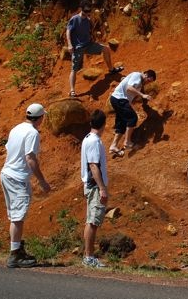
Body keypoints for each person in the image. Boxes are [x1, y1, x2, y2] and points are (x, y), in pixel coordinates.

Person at [0, 103, 51, 268]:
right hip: (17, 178)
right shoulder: (32, 133)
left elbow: (9, 151)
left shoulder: (16, 128)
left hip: (7, 174)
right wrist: (42, 181)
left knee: (15, 215)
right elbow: (30, 158)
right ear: (40, 118)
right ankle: (14, 255)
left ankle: (17, 249)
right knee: (18, 217)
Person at [66, 0, 123, 97]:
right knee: (74, 69)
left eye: (89, 11)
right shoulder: (74, 19)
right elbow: (68, 31)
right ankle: (72, 91)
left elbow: (89, 31)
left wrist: (93, 38)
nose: (88, 13)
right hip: (78, 47)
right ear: (81, 9)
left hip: (88, 45)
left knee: (106, 49)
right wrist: (70, 45)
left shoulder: (88, 20)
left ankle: (111, 70)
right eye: (86, 11)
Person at [81, 109, 109, 268]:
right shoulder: (94, 141)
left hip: (91, 185)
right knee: (93, 222)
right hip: (94, 186)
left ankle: (88, 256)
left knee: (90, 221)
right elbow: (93, 165)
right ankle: (89, 257)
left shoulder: (88, 139)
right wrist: (102, 188)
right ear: (104, 124)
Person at [108, 69, 156, 156]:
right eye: (148, 80)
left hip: (116, 99)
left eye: (150, 82)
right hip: (120, 99)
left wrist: (144, 98)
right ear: (145, 75)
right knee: (133, 118)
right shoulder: (137, 76)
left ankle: (113, 146)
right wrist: (142, 95)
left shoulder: (140, 82)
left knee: (122, 123)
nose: (148, 83)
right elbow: (129, 88)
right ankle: (127, 142)